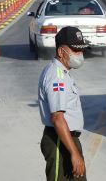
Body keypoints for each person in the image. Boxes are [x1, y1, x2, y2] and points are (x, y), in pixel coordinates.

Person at [38, 26, 89, 181]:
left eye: (81, 50)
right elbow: (57, 118)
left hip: (67, 140)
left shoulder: (63, 73)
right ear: (61, 52)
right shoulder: (57, 76)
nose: (80, 55)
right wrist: (74, 153)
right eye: (75, 50)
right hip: (60, 142)